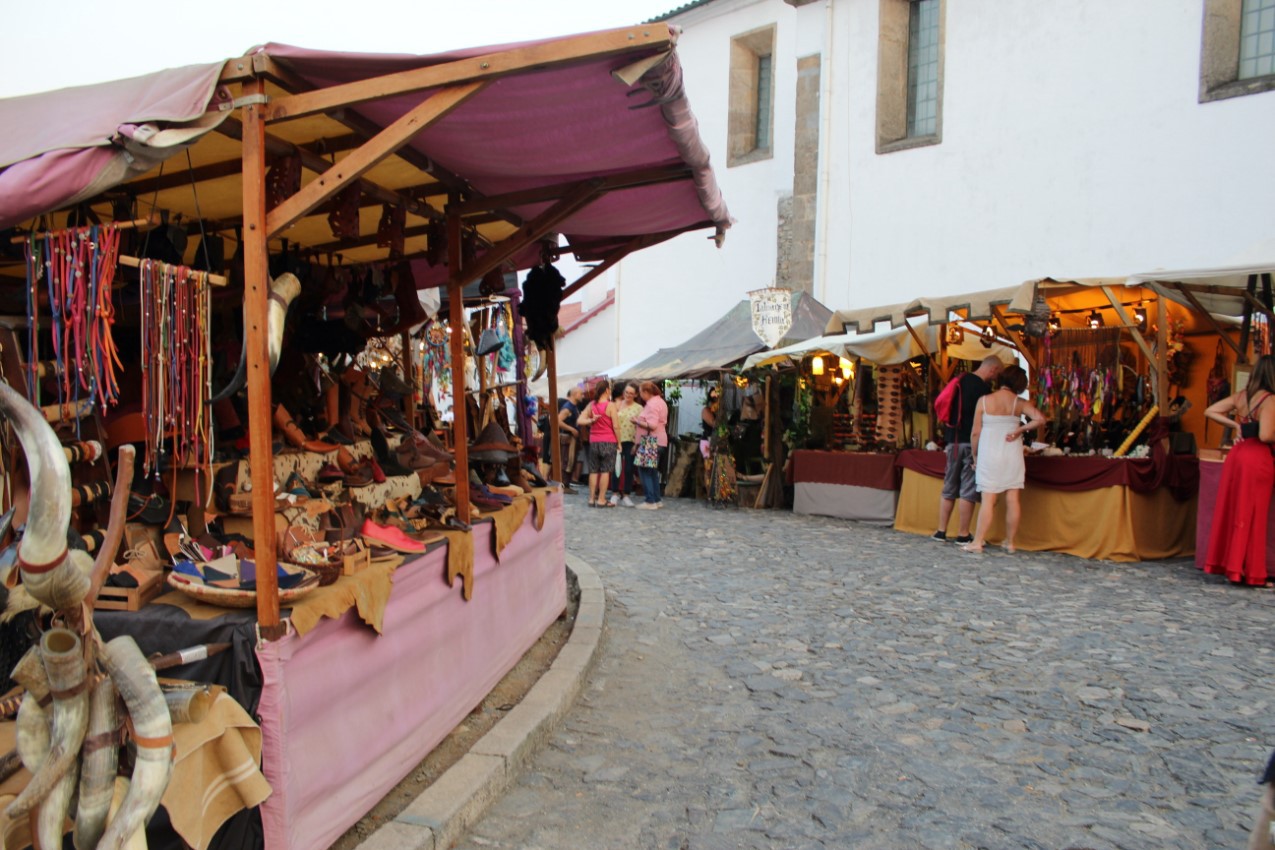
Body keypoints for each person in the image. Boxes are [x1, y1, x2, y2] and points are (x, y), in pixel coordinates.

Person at [1203, 354, 1275, 586]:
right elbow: (1266, 435)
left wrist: (1238, 426)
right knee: (1255, 515)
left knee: (1236, 511)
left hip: (1238, 455)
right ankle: (1252, 572)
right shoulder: (1270, 400)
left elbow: (1210, 411)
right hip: (1258, 457)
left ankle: (1234, 567)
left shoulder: (1243, 397)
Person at [961, 365, 1045, 554]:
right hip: (1012, 453)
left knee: (988, 499)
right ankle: (1011, 542)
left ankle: (978, 541)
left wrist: (975, 456)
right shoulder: (1020, 403)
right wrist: (1020, 430)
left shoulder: (984, 401)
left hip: (989, 453)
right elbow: (1040, 419)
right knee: (1013, 499)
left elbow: (975, 433)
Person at [933, 356, 1004, 544]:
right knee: (968, 489)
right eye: (997, 373)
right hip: (971, 443)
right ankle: (963, 534)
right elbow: (981, 423)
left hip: (952, 442)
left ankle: (941, 531)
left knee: (949, 486)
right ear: (993, 369)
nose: (996, 377)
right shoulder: (983, 389)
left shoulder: (959, 379)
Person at [577, 382, 618, 507]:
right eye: (609, 389)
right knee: (605, 471)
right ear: (606, 390)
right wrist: (619, 442)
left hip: (594, 441)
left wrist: (591, 420)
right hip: (609, 441)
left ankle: (591, 499)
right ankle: (601, 499)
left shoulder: (591, 405)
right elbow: (616, 426)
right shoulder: (610, 405)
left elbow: (579, 420)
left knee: (593, 471)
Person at [633, 381, 669, 510]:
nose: (640, 395)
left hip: (651, 440)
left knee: (644, 470)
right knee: (652, 471)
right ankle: (657, 499)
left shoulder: (651, 404)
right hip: (660, 440)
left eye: (641, 392)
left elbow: (652, 425)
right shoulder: (661, 402)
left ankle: (650, 500)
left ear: (646, 392)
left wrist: (637, 421)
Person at [606, 382, 643, 507]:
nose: (628, 395)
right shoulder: (616, 405)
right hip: (617, 440)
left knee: (628, 469)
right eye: (626, 392)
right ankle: (615, 493)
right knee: (616, 468)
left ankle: (626, 494)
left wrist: (636, 443)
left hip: (630, 441)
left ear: (636, 395)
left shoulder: (639, 408)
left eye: (631, 393)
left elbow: (641, 428)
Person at [551, 386, 583, 492]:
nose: (582, 396)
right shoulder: (568, 407)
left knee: (570, 461)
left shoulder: (573, 406)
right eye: (580, 394)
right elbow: (558, 421)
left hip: (571, 438)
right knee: (566, 461)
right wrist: (572, 429)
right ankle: (563, 485)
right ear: (575, 394)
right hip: (567, 438)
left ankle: (566, 484)